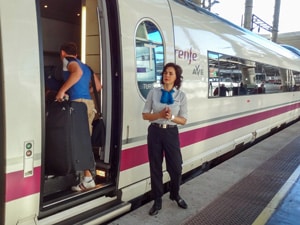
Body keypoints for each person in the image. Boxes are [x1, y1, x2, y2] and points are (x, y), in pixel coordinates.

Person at [142, 62, 188, 216]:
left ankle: (174, 194)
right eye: (165, 73)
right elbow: (145, 115)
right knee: (155, 167)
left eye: (170, 73)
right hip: (155, 132)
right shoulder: (153, 93)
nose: (166, 76)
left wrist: (172, 117)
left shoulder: (181, 96)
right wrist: (159, 115)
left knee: (176, 168)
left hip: (171, 133)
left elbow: (183, 120)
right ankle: (157, 201)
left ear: (176, 78)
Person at [55, 42, 101, 191]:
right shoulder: (87, 66)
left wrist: (62, 91)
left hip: (78, 105)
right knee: (84, 140)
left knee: (78, 141)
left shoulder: (68, 61)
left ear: (63, 53)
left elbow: (77, 74)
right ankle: (87, 176)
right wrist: (85, 92)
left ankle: (88, 178)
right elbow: (98, 86)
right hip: (88, 104)